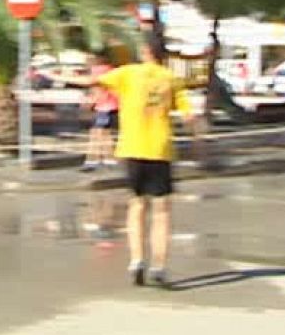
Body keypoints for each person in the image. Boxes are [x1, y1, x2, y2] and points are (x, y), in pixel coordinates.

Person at [50, 31, 193, 287]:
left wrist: (54, 75)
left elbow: (89, 81)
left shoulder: (127, 73)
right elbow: (188, 116)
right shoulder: (171, 79)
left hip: (132, 148)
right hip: (160, 150)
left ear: (146, 51)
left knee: (137, 206)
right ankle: (159, 266)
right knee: (161, 211)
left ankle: (137, 260)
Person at [80, 52, 119, 172]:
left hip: (104, 107)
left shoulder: (98, 71)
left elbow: (97, 90)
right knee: (104, 134)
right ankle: (108, 160)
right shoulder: (111, 70)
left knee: (97, 133)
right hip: (112, 105)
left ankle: (92, 161)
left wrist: (90, 103)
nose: (86, 62)